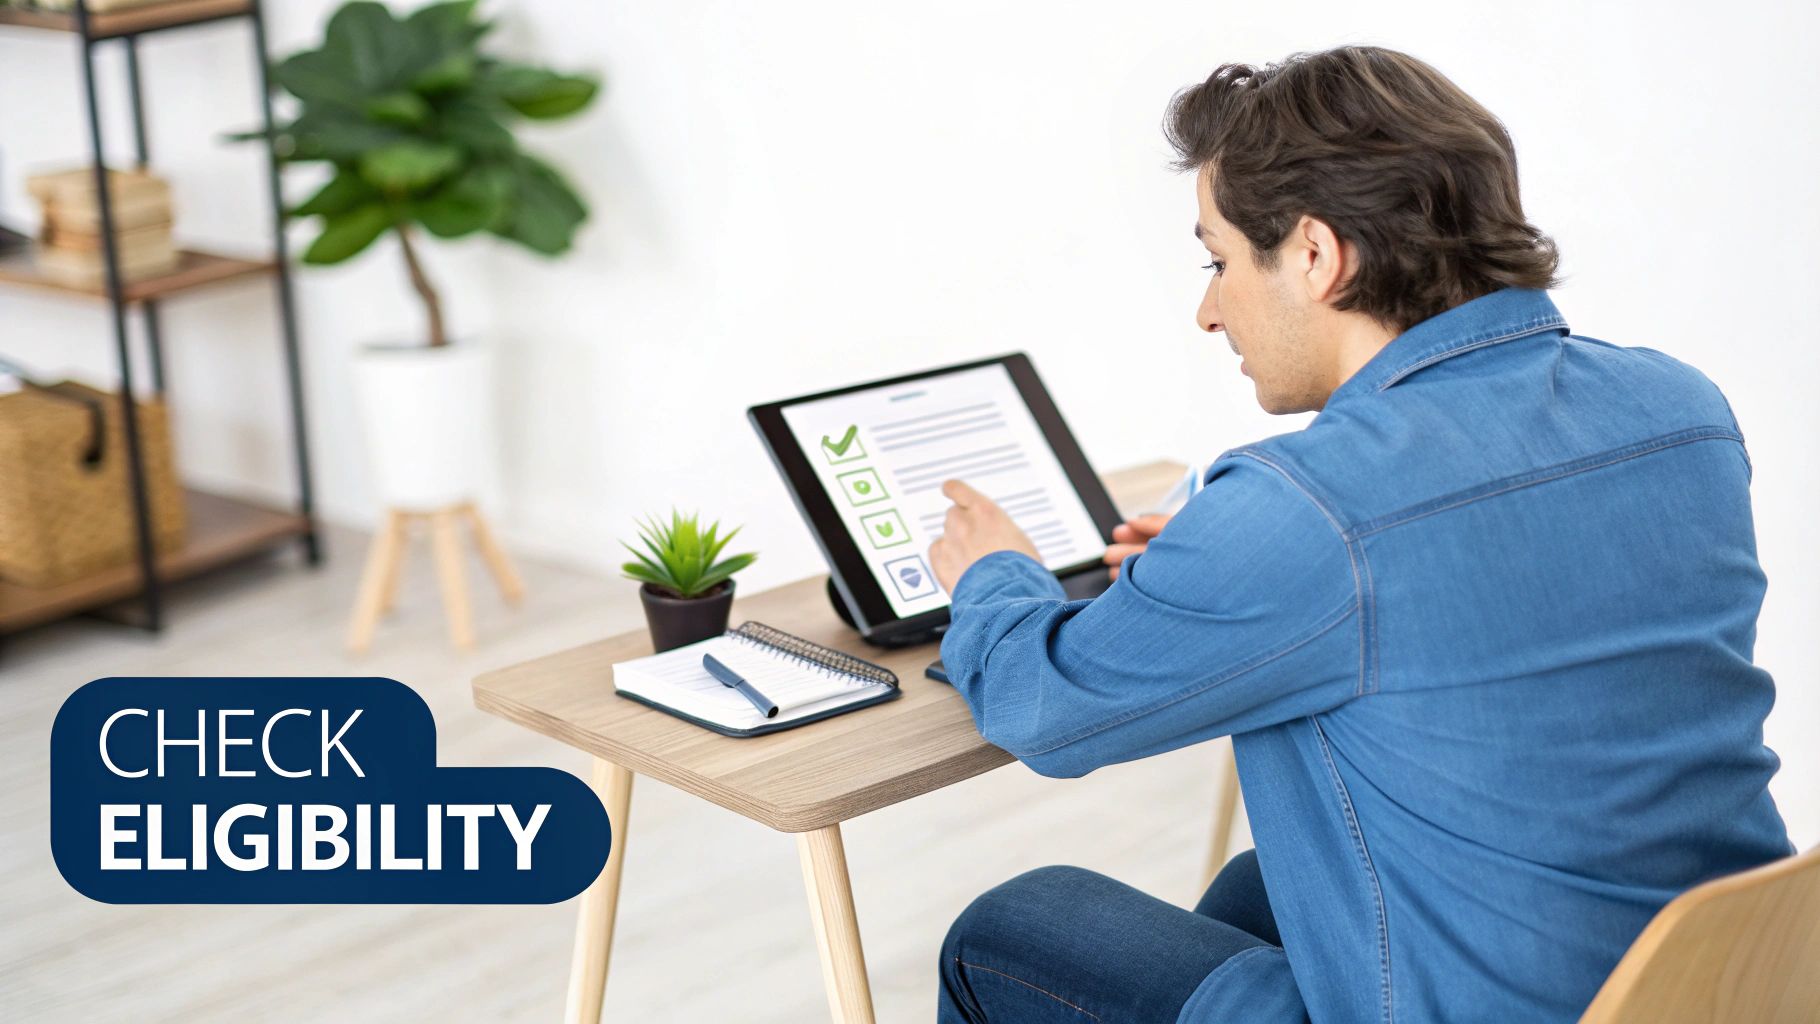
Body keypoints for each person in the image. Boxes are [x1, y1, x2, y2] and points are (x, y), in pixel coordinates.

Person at [924, 45, 1791, 1023]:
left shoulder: (1311, 510)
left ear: (1311, 253)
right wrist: (1223, 567)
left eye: (1217, 260)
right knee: (1259, 892)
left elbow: (1042, 706)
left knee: (1012, 924)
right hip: (1715, 985)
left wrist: (993, 571)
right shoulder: (1680, 411)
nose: (1208, 311)